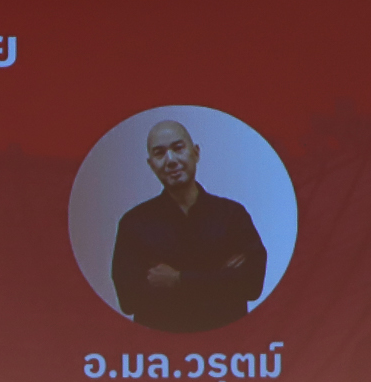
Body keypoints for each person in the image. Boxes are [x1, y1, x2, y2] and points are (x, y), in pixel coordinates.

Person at [109, 119, 268, 333]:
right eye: (159, 153)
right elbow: (129, 300)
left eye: (178, 148)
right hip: (161, 348)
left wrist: (178, 280)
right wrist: (219, 278)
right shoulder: (134, 223)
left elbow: (251, 285)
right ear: (151, 164)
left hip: (225, 347)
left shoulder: (232, 215)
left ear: (196, 153)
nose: (171, 160)